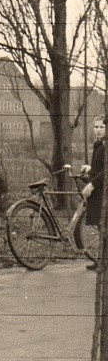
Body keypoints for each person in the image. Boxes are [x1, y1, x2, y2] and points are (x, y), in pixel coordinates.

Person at [80, 115, 105, 271]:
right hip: (98, 190)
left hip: (102, 190)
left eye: (102, 127)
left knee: (103, 226)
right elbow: (100, 167)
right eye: (96, 127)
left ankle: (103, 262)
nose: (98, 130)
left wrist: (91, 184)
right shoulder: (99, 144)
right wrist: (90, 169)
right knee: (101, 227)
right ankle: (101, 260)